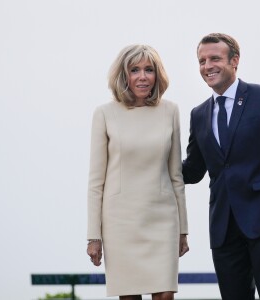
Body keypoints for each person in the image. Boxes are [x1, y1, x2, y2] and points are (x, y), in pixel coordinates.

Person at [86, 44, 189, 300]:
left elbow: (176, 175)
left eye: (148, 70)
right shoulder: (104, 114)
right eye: (134, 70)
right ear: (124, 75)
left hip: (162, 219)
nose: (142, 76)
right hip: (120, 223)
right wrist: (93, 236)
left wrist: (183, 230)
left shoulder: (171, 111)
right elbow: (95, 182)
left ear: (157, 75)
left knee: (165, 295)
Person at [182, 33, 260, 300]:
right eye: (201, 60)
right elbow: (193, 170)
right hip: (224, 229)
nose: (207, 66)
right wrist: (153, 162)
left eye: (214, 58)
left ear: (234, 61)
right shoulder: (198, 115)